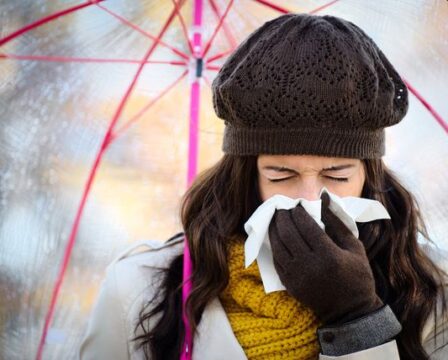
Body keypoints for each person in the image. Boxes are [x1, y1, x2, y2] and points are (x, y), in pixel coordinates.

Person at [78, 13, 448, 360]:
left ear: (370, 176)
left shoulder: (430, 294)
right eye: (280, 175)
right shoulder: (139, 290)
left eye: (337, 176)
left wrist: (357, 318)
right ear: (244, 177)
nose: (308, 200)